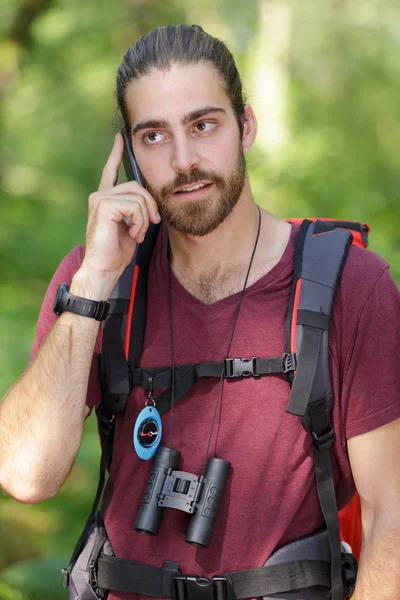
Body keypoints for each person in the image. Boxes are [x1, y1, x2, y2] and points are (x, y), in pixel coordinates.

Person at [1, 24, 400, 600]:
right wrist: (90, 282)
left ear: (248, 126)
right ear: (130, 154)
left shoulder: (352, 288)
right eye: (155, 137)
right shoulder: (99, 280)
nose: (184, 161)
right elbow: (25, 475)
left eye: (203, 125)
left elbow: (392, 517)